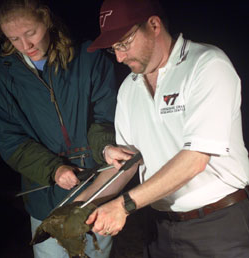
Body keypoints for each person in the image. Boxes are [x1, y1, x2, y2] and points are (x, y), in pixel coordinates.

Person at [74, 0, 249, 257]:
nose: (120, 57)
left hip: (218, 224)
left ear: (153, 25)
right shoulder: (129, 89)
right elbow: (127, 163)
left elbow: (195, 160)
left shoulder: (206, 65)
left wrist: (123, 206)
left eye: (123, 43)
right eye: (114, 49)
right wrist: (79, 207)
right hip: (159, 228)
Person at [0, 0, 118, 257]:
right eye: (14, 39)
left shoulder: (88, 58)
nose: (26, 46)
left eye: (30, 33)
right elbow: (9, 139)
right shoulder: (5, 78)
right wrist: (53, 168)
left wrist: (105, 148)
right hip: (46, 199)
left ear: (46, 20)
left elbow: (106, 116)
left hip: (95, 190)